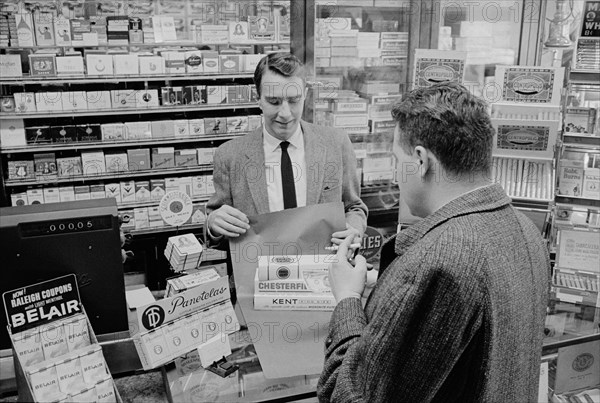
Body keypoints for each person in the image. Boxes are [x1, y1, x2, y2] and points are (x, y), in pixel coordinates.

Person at [318, 82, 550, 402]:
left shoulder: (436, 262)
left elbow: (348, 395)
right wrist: (387, 290)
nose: (396, 176)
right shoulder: (526, 230)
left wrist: (347, 299)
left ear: (421, 161)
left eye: (396, 160)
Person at [206, 52, 367, 245]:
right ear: (258, 98)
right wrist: (213, 225)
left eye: (293, 100)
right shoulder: (230, 156)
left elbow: (354, 207)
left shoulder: (336, 143)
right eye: (274, 102)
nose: (285, 113)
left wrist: (354, 230)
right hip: (258, 271)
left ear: (305, 95)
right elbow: (216, 222)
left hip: (323, 270)